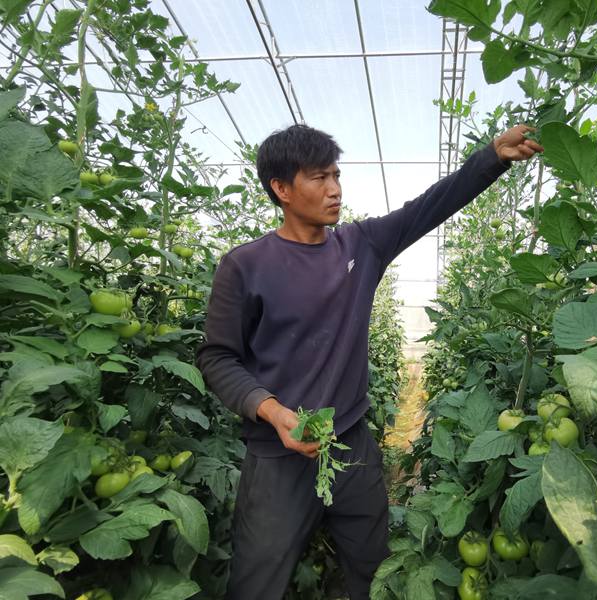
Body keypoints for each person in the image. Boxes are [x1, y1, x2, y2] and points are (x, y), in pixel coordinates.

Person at [196, 123, 543, 599]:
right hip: (278, 456)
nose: (335, 189)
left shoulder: (360, 245)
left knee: (373, 571)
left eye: (336, 175)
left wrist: (493, 157)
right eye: (319, 178)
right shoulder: (246, 265)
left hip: (351, 446)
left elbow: (429, 206)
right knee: (257, 583)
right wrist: (273, 412)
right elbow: (217, 357)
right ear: (282, 189)